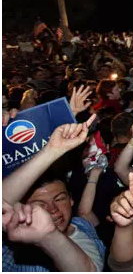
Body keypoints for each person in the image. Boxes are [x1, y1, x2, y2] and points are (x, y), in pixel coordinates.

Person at [2, 116, 106, 271]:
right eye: (40, 205)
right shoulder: (12, 251)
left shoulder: (83, 225)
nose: (53, 209)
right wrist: (51, 151)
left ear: (71, 199)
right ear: (22, 210)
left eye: (59, 199)